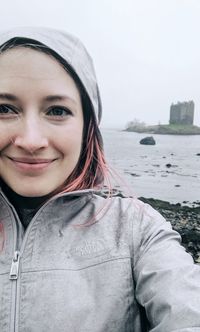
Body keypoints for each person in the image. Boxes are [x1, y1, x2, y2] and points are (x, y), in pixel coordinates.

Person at [0, 27, 199, 332]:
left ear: (87, 127)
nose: (31, 140)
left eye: (57, 110)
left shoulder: (137, 231)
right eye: (4, 109)